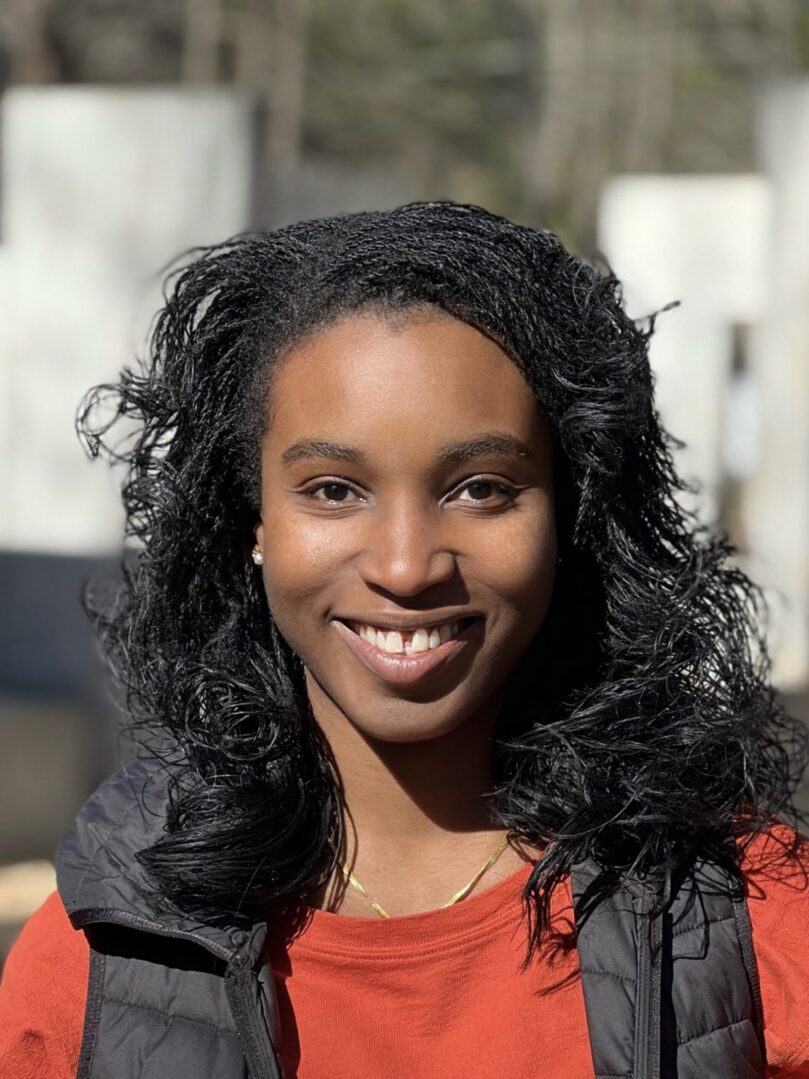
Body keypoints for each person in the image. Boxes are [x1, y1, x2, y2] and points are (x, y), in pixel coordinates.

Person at [1, 200, 808, 1078]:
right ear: (251, 519)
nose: (406, 564)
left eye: (480, 488)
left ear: (572, 512)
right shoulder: (96, 969)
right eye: (334, 490)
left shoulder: (755, 927)